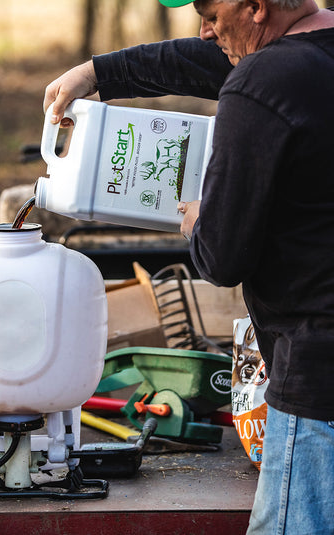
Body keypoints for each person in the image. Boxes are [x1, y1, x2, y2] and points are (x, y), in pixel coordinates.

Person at [43, 0, 334, 533]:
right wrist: (97, 74)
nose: (202, 30)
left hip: (320, 387)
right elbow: (202, 60)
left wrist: (199, 219)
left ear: (255, 6)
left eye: (209, 11)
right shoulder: (306, 60)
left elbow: (222, 258)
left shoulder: (259, 84)